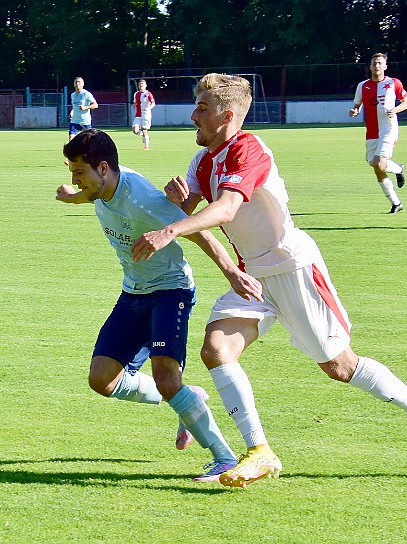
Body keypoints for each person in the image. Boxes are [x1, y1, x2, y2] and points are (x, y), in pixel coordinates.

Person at [131, 73, 407, 489]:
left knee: (339, 366)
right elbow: (191, 209)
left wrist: (172, 230)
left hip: (294, 270)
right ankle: (260, 452)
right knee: (216, 349)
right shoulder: (203, 160)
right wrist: (178, 204)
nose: (193, 115)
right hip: (254, 279)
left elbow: (226, 209)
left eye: (202, 109)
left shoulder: (251, 150)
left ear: (227, 116)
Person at [57, 128, 264, 482]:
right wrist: (70, 197)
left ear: (103, 168)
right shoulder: (99, 188)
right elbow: (89, 197)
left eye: (79, 173)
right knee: (102, 380)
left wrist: (232, 272)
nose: (75, 180)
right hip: (134, 293)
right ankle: (189, 398)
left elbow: (197, 231)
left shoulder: (142, 199)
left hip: (171, 291)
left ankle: (224, 458)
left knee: (166, 377)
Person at [349, 53, 407, 214]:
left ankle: (399, 169)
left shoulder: (393, 83)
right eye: (374, 63)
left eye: (380, 63)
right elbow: (358, 104)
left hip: (388, 129)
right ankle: (396, 203)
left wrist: (395, 110)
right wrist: (355, 110)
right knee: (376, 167)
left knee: (379, 162)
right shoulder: (362, 86)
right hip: (371, 133)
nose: (377, 66)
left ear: (385, 66)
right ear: (370, 67)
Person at [132, 79, 156, 150]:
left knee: (144, 129)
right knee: (135, 130)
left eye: (142, 84)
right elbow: (135, 102)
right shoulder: (136, 94)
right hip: (138, 115)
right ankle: (142, 135)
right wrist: (134, 104)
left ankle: (146, 146)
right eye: (140, 84)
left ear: (145, 85)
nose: (141, 85)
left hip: (146, 114)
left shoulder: (148, 94)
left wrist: (149, 108)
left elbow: (153, 103)